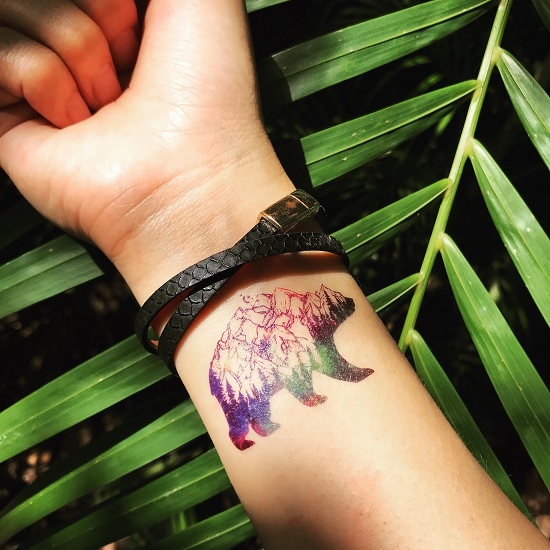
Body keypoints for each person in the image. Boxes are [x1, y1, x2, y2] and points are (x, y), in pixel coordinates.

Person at [0, 1, 547, 548]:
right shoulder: (285, 328)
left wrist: (190, 194)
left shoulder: (293, 324)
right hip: (237, 348)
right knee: (248, 408)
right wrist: (186, 200)